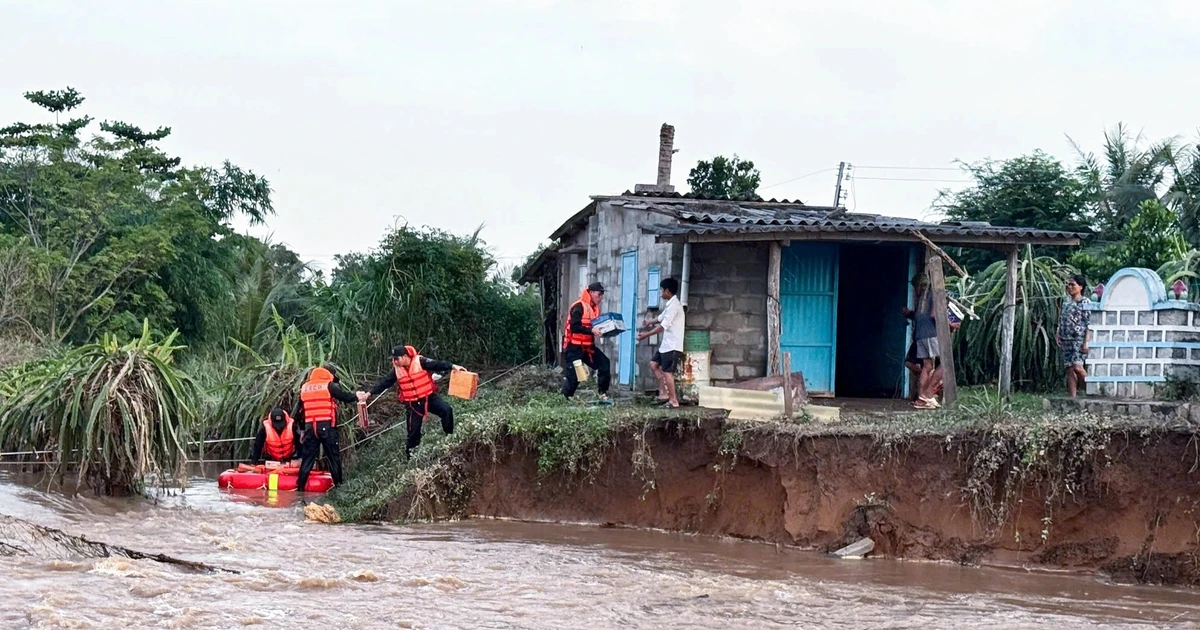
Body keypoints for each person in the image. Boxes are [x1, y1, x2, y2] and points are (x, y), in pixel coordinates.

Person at [359, 345, 465, 456]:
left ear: (405, 356)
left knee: (447, 410)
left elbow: (437, 364)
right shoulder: (396, 370)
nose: (395, 361)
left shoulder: (420, 361)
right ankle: (411, 458)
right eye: (393, 359)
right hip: (413, 404)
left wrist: (453, 366)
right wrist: (369, 393)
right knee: (413, 433)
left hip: (428, 398)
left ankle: (450, 438)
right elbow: (385, 383)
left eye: (397, 358)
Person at [293, 363, 359, 491]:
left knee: (308, 459)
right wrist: (357, 396)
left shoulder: (305, 387)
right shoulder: (329, 386)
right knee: (333, 457)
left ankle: (300, 489)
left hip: (310, 428)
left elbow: (300, 412)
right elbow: (345, 397)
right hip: (326, 427)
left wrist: (302, 430)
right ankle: (339, 488)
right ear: (330, 375)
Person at [638, 277, 685, 408]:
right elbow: (660, 318)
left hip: (672, 345)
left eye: (662, 290)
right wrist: (649, 322)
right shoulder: (670, 304)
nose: (661, 293)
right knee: (653, 364)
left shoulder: (674, 306)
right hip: (666, 345)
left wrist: (646, 335)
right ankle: (664, 394)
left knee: (667, 372)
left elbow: (663, 326)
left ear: (668, 291)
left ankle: (673, 400)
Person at [561, 282, 612, 404]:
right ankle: (563, 401)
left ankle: (602, 393)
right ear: (591, 293)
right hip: (574, 348)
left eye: (602, 295)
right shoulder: (578, 306)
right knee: (575, 378)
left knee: (604, 364)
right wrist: (591, 330)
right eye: (599, 295)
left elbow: (595, 327)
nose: (600, 298)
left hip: (588, 348)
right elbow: (575, 327)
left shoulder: (595, 309)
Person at [902, 274, 940, 409]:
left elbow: (919, 317)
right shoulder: (934, 294)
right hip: (931, 334)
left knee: (927, 366)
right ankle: (927, 395)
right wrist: (950, 324)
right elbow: (935, 315)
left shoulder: (921, 300)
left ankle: (922, 399)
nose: (915, 291)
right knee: (944, 365)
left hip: (920, 336)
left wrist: (909, 314)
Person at [1057, 274, 1091, 398]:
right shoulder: (1066, 303)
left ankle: (1091, 390)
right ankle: (1073, 398)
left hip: (1078, 339)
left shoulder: (1085, 302)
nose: (1069, 287)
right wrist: (1058, 333)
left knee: (1077, 366)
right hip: (1066, 339)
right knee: (1069, 369)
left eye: (1073, 284)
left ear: (1080, 287)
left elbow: (1089, 323)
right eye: (1069, 284)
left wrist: (1086, 342)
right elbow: (1061, 319)